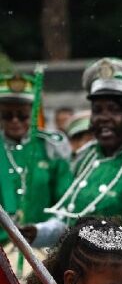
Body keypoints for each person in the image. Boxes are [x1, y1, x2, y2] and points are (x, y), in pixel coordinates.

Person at [23, 58, 122, 253]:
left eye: (114, 110)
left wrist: (81, 238)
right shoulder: (86, 156)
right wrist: (37, 233)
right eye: (97, 110)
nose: (103, 118)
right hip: (76, 273)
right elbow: (69, 218)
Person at [0, 73, 72, 244]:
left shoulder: (51, 147)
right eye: (7, 115)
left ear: (33, 114)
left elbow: (66, 200)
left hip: (42, 246)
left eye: (22, 115)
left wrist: (45, 232)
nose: (15, 121)